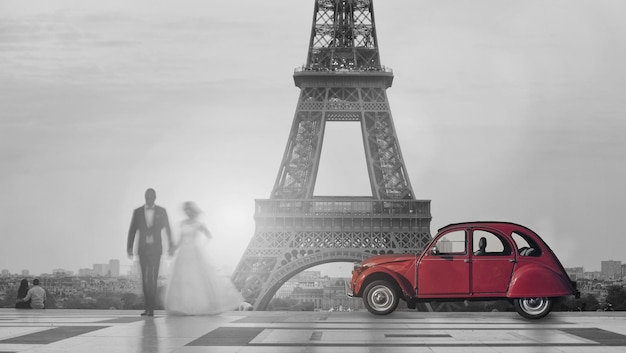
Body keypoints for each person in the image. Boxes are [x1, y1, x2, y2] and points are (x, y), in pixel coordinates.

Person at [164, 201, 244, 315]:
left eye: (189, 209)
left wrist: (199, 245)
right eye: (186, 210)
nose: (187, 212)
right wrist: (173, 249)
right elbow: (180, 240)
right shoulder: (182, 224)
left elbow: (209, 235)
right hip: (183, 254)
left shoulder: (199, 224)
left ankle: (196, 307)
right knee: (185, 281)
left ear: (193, 211)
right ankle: (185, 307)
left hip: (195, 253)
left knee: (196, 280)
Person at [127, 188, 173, 316]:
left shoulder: (161, 211)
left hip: (155, 249)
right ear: (145, 197)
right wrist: (129, 247)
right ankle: (147, 307)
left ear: (155, 198)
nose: (150, 199)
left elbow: (168, 229)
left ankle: (151, 309)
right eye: (148, 197)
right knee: (145, 280)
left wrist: (171, 245)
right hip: (143, 250)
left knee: (152, 278)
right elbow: (132, 230)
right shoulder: (137, 212)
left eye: (151, 197)